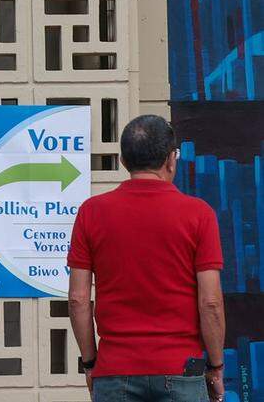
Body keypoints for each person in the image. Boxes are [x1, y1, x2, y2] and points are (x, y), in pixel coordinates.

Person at [67, 115, 225, 402]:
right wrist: (215, 367)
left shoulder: (91, 212)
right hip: (181, 369)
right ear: (171, 160)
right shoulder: (199, 214)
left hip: (114, 371)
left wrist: (90, 364)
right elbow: (211, 302)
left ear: (123, 161)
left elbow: (78, 299)